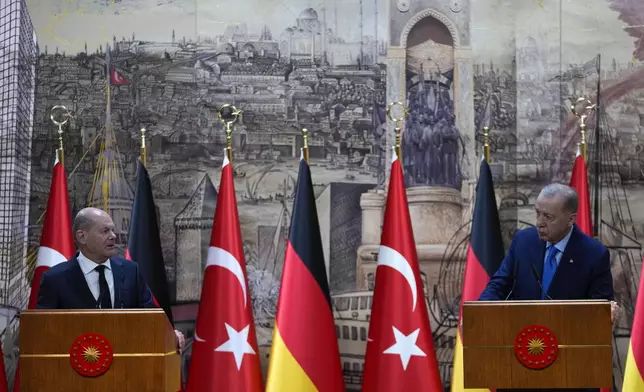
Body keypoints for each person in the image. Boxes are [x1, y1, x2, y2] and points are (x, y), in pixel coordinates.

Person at [478, 183, 616, 392]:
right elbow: (500, 282)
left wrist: (608, 314)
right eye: (537, 213)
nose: (539, 223)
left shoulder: (594, 254)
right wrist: (480, 311)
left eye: (548, 217)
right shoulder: (523, 241)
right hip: (521, 358)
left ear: (571, 219)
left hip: (569, 368)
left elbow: (599, 307)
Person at [37, 207, 185, 352]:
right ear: (82, 236)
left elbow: (151, 317)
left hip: (126, 366)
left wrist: (170, 334)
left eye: (112, 230)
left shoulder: (130, 271)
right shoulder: (55, 279)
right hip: (77, 367)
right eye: (105, 231)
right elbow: (43, 331)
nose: (113, 236)